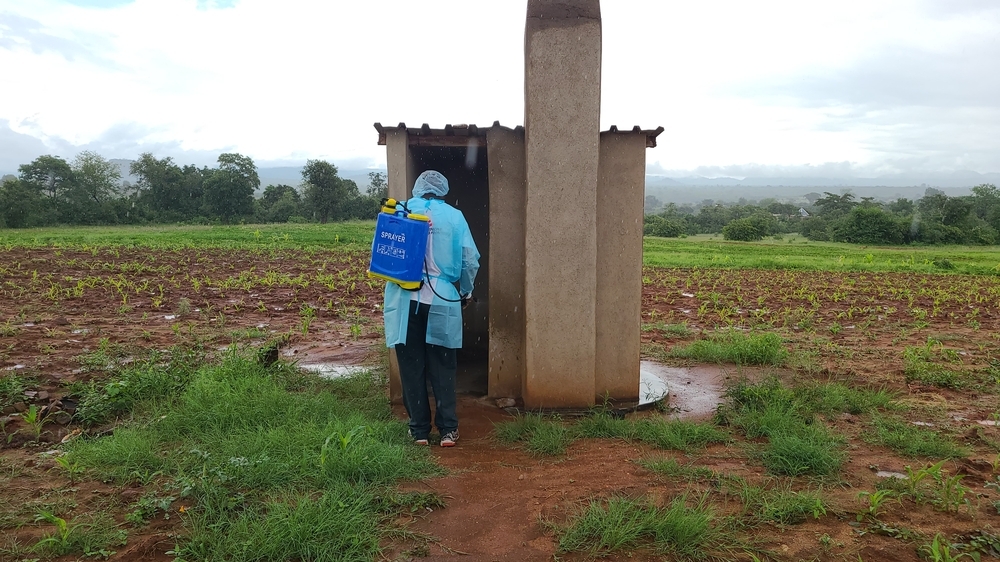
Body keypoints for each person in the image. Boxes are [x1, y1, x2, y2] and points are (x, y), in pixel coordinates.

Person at [383, 170, 480, 447]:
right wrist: (466, 290)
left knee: (412, 366)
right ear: (442, 190)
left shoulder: (400, 210)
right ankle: (448, 430)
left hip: (404, 300)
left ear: (417, 188)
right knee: (442, 365)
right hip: (441, 300)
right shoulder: (454, 216)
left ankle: (419, 432)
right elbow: (469, 259)